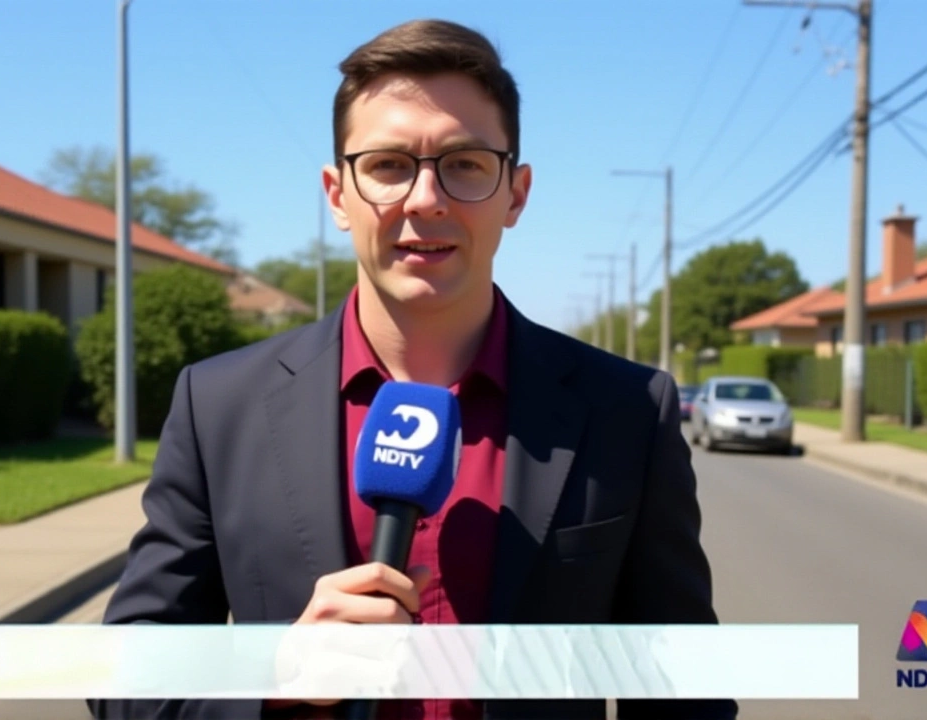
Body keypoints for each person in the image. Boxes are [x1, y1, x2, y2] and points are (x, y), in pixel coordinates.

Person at [88, 18, 737, 720]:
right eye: (389, 164)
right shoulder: (218, 405)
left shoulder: (629, 411)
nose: (426, 199)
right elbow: (125, 680)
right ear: (338, 194)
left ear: (514, 194)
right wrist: (274, 679)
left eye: (464, 163)